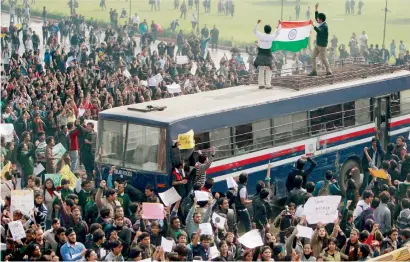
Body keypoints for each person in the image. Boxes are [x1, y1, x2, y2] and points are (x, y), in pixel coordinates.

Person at [253, 19, 280, 89]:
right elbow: (277, 33)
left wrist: (257, 23)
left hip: (261, 53)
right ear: (270, 31)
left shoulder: (261, 35)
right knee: (269, 69)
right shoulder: (271, 37)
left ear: (264, 30)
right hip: (267, 53)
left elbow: (255, 31)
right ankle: (268, 84)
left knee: (261, 69)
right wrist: (279, 25)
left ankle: (261, 84)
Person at [308, 3, 332, 76]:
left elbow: (319, 31)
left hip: (322, 46)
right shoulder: (322, 23)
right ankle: (314, 71)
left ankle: (328, 71)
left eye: (318, 18)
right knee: (313, 57)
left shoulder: (324, 26)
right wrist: (316, 9)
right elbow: (316, 18)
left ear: (321, 19)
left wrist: (313, 25)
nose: (317, 19)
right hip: (318, 44)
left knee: (323, 59)